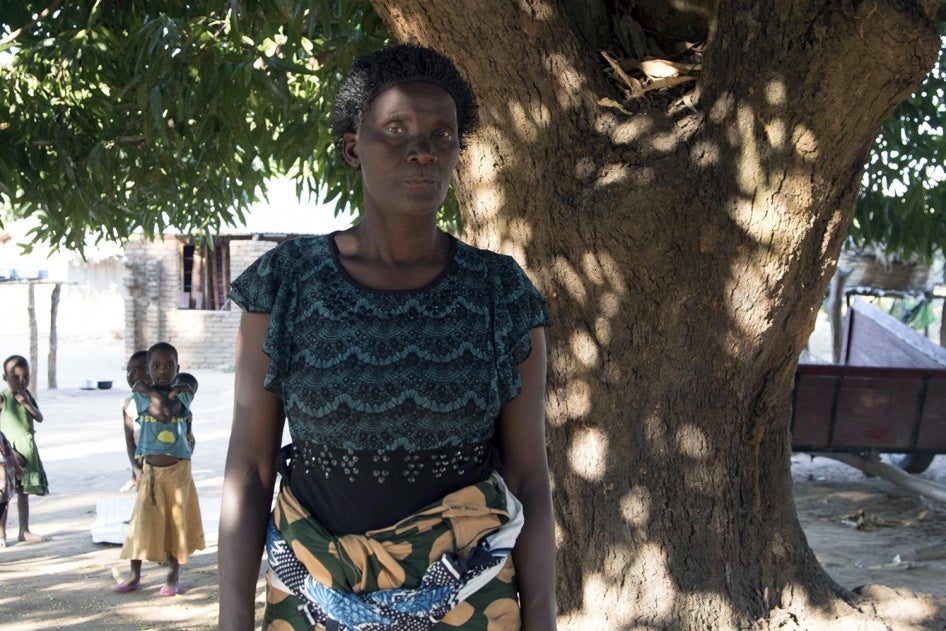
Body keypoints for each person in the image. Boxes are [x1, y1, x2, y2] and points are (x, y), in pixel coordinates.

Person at [219, 44, 556, 631]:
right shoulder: (286, 284)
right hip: (312, 594)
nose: (421, 149)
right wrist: (232, 620)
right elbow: (249, 468)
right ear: (354, 146)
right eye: (395, 129)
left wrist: (543, 618)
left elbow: (529, 477)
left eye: (441, 134)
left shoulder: (500, 293)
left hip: (470, 598)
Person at [112, 342, 204, 597]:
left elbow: (166, 413)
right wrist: (147, 391)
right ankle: (134, 576)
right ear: (148, 369)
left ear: (177, 368)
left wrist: (147, 390)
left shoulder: (183, 392)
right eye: (155, 366)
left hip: (178, 471)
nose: (162, 371)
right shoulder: (139, 397)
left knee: (176, 524)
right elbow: (160, 410)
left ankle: (172, 578)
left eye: (168, 366)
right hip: (152, 471)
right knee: (142, 523)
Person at [0, 354, 48, 543]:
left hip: (28, 450)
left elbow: (39, 418)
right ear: (5, 377)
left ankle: (24, 530)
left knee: (23, 493)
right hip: (9, 453)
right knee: (4, 493)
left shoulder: (27, 396)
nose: (22, 381)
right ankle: (2, 532)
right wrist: (9, 452)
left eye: (26, 377)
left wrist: (26, 403)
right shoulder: (3, 398)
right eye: (16, 377)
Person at [120, 350, 148, 492]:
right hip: (140, 457)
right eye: (128, 371)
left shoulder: (162, 402)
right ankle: (134, 478)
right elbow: (130, 440)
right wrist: (137, 469)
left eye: (136, 371)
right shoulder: (128, 404)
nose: (130, 376)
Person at [0, 428, 23, 547]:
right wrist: (3, 483)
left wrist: (18, 469)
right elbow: (1, 462)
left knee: (3, 506)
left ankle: (2, 535)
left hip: (4, 485)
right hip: (3, 484)